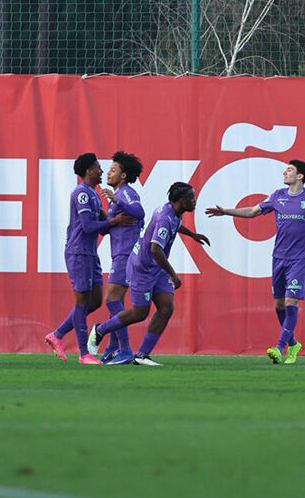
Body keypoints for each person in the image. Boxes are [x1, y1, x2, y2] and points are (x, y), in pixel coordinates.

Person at [205, 160, 305, 364]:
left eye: (290, 170)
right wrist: (228, 211)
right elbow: (253, 211)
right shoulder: (277, 196)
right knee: (279, 304)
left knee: (292, 302)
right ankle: (293, 344)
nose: (285, 172)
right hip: (279, 257)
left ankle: (279, 347)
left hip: (299, 259)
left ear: (300, 176)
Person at [89, 182, 209, 366]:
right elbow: (155, 249)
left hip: (156, 267)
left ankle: (142, 355)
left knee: (167, 307)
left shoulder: (173, 210)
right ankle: (100, 329)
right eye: (192, 198)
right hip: (143, 267)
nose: (195, 201)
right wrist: (173, 274)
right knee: (140, 313)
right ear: (181, 201)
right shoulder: (165, 218)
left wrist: (193, 234)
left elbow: (175, 227)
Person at [45, 153, 135, 364]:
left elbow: (103, 227)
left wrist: (118, 217)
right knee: (82, 301)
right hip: (78, 252)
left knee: (94, 301)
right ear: (88, 171)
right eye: (97, 167)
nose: (102, 171)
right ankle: (84, 353)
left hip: (90, 253)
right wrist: (114, 222)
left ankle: (57, 335)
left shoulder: (94, 195)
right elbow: (87, 227)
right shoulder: (81, 194)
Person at [90, 151, 145, 363]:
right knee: (117, 302)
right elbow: (107, 231)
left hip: (126, 255)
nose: (108, 173)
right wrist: (105, 216)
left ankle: (125, 350)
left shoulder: (125, 193)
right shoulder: (116, 198)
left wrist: (117, 203)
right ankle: (114, 348)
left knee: (112, 299)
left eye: (113, 170)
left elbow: (139, 212)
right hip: (120, 254)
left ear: (123, 176)